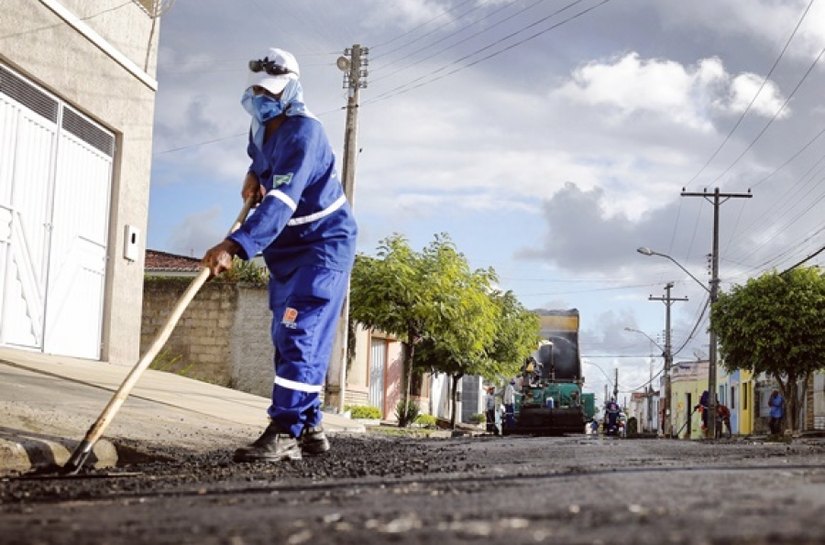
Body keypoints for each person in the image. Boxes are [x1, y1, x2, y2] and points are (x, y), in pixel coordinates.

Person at [202, 47, 357, 463]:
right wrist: (253, 172)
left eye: (270, 92)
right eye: (257, 90)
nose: (262, 98)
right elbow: (260, 157)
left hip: (322, 244)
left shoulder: (306, 133)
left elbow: (283, 200)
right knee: (284, 335)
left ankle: (286, 429)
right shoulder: (261, 126)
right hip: (287, 251)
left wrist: (234, 245)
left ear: (292, 90)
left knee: (299, 332)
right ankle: (309, 427)